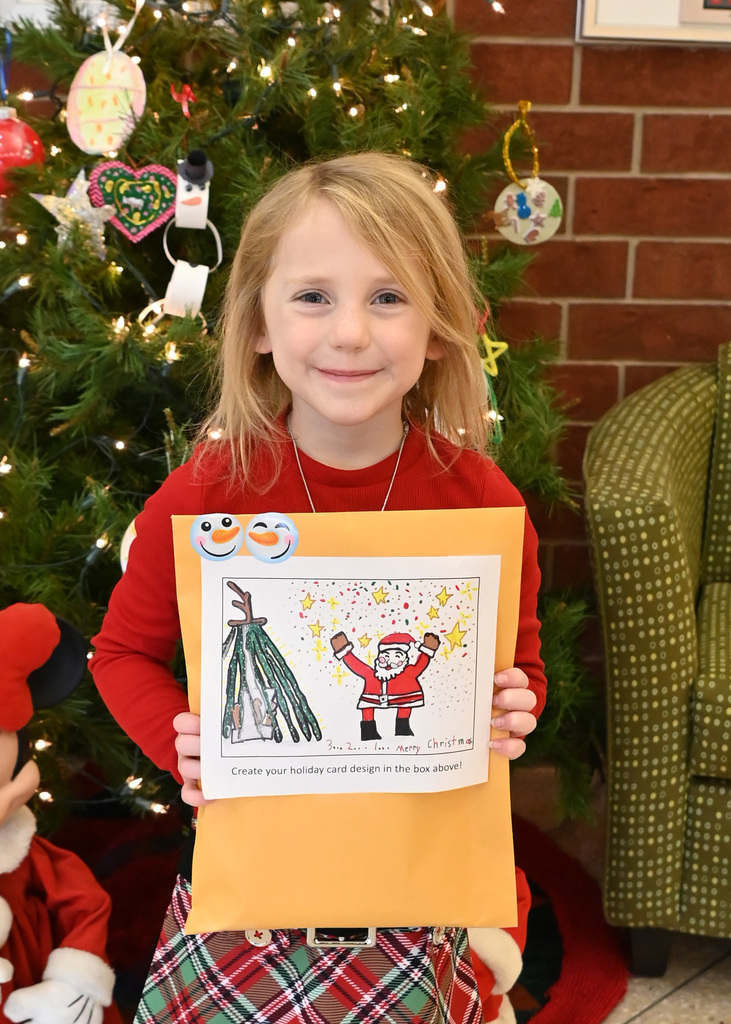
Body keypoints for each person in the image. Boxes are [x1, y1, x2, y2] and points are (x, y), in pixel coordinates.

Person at [91, 151, 545, 1024]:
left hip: (414, 882)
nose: (349, 334)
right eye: (312, 297)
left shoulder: (483, 502)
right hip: (248, 883)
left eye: (388, 297)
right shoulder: (204, 496)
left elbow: (515, 675)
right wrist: (177, 741)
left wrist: (512, 707)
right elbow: (121, 653)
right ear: (258, 322)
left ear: (440, 325)